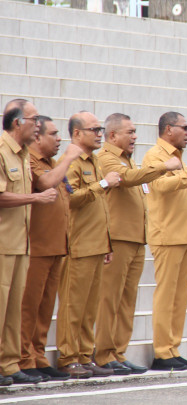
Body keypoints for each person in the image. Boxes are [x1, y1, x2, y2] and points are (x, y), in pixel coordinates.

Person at [95, 113, 181, 375]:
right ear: (113, 135)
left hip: (135, 238)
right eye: (129, 132)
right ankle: (103, 353)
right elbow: (126, 178)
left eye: (134, 132)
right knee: (110, 299)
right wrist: (164, 167)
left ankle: (118, 352)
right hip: (118, 238)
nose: (135, 137)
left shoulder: (126, 159)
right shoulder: (107, 158)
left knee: (126, 300)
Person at [144, 111, 187, 370]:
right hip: (167, 236)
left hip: (183, 234)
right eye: (185, 127)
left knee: (179, 296)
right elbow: (159, 186)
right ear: (169, 129)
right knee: (166, 294)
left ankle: (173, 348)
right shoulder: (154, 156)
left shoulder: (176, 156)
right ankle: (161, 351)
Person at [20, 116, 82, 381]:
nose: (59, 139)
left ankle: (39, 355)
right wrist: (69, 157)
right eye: (54, 134)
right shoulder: (31, 160)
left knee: (45, 308)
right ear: (37, 137)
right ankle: (24, 358)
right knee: (29, 307)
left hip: (57, 245)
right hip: (37, 246)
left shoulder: (51, 163)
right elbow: (44, 184)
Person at [56, 111, 118, 378]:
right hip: (79, 244)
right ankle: (68, 358)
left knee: (90, 307)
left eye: (100, 129)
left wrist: (107, 242)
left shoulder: (95, 161)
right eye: (94, 129)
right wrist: (103, 184)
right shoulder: (70, 163)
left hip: (96, 244)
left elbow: (101, 207)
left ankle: (84, 355)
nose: (99, 134)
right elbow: (71, 199)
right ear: (77, 133)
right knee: (73, 305)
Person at [0, 100, 58, 386]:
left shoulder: (22, 154)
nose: (38, 125)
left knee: (13, 309)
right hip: (3, 243)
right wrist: (36, 198)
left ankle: (9, 365)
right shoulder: (2, 152)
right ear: (16, 122)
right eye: (34, 120)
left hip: (21, 244)